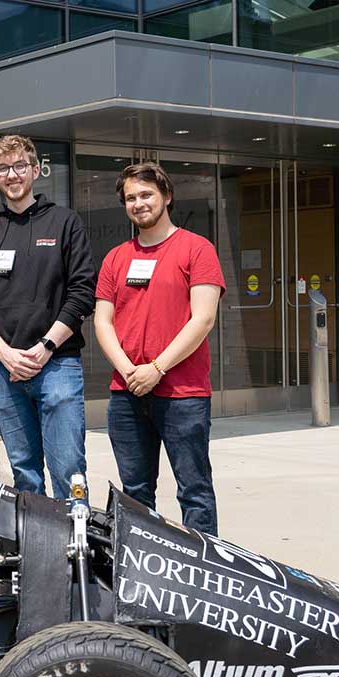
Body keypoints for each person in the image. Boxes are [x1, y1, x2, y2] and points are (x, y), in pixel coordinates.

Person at [94, 163, 225, 534]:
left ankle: (203, 575)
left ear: (167, 196)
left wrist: (157, 368)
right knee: (135, 495)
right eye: (131, 198)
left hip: (183, 394)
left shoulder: (197, 249)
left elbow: (203, 320)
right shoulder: (116, 258)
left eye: (146, 194)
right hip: (127, 394)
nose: (139, 203)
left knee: (194, 490)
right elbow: (102, 322)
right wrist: (129, 370)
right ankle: (142, 573)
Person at [0, 135, 96, 499]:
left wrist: (46, 346)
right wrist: (5, 353)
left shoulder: (64, 223)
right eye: (3, 168)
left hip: (57, 365)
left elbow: (82, 292)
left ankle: (74, 553)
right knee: (24, 473)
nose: (12, 174)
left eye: (20, 166)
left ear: (35, 171)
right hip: (4, 370)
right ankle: (39, 551)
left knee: (68, 470)